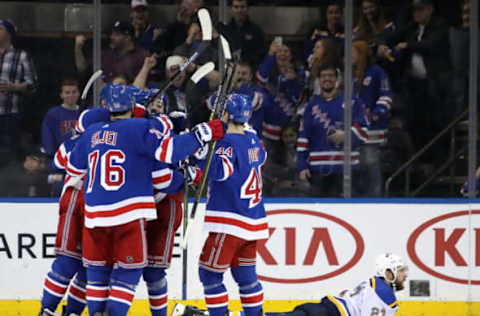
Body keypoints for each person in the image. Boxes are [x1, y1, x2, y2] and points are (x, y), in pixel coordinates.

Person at [66, 84, 223, 316]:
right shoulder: (141, 127)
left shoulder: (93, 131)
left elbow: (72, 166)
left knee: (98, 272)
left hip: (95, 215)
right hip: (129, 213)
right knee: (130, 271)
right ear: (133, 106)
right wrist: (202, 133)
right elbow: (169, 154)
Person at [193, 94, 268, 316]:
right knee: (246, 278)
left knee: (209, 275)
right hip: (252, 222)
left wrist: (201, 152)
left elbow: (220, 172)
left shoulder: (226, 143)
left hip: (230, 222)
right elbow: (260, 157)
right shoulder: (253, 139)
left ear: (226, 114)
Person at [377, 0, 452, 160]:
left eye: (421, 10)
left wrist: (407, 45)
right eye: (415, 10)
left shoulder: (441, 25)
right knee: (413, 123)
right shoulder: (412, 27)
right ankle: (418, 161)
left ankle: (438, 161)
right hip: (414, 85)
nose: (417, 13)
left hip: (434, 84)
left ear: (430, 9)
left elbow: (431, 45)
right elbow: (390, 36)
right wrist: (383, 44)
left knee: (435, 123)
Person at [297, 64, 368, 197]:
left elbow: (364, 130)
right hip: (318, 169)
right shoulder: (311, 105)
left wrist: (346, 135)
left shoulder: (352, 101)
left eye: (330, 76)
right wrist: (302, 165)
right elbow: (303, 136)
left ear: (337, 79)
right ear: (319, 80)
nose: (327, 79)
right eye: (323, 76)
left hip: (347, 168)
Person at [265, 253, 407, 316]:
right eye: (400, 271)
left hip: (324, 308)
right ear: (388, 272)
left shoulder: (371, 282)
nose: (405, 275)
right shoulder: (385, 295)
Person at [352, 40, 392, 197]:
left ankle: (376, 197)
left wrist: (376, 112)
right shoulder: (349, 74)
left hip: (373, 129)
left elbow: (386, 96)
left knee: (371, 162)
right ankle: (356, 198)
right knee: (355, 164)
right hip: (354, 128)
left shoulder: (376, 72)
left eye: (352, 52)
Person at [0, 19, 38, 161]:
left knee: (11, 156)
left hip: (11, 115)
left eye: (0, 29)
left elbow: (32, 84)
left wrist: (13, 87)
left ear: (9, 33)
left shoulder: (21, 55)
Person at [41, 78, 82, 196]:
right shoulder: (53, 114)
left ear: (79, 93)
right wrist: (56, 163)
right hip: (59, 165)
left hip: (80, 164)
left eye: (74, 92)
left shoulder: (84, 113)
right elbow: (48, 142)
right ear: (61, 95)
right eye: (67, 92)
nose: (71, 95)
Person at [75, 21, 149, 83]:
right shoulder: (105, 55)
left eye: (116, 35)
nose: (112, 37)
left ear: (127, 37)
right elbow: (82, 68)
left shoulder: (142, 56)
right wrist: (78, 48)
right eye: (112, 34)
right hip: (105, 98)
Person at [221, 0, 267, 67]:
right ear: (231, 9)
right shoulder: (225, 30)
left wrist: (246, 61)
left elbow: (262, 53)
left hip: (250, 69)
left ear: (247, 9)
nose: (239, 10)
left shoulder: (256, 30)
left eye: (242, 7)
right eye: (236, 7)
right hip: (229, 68)